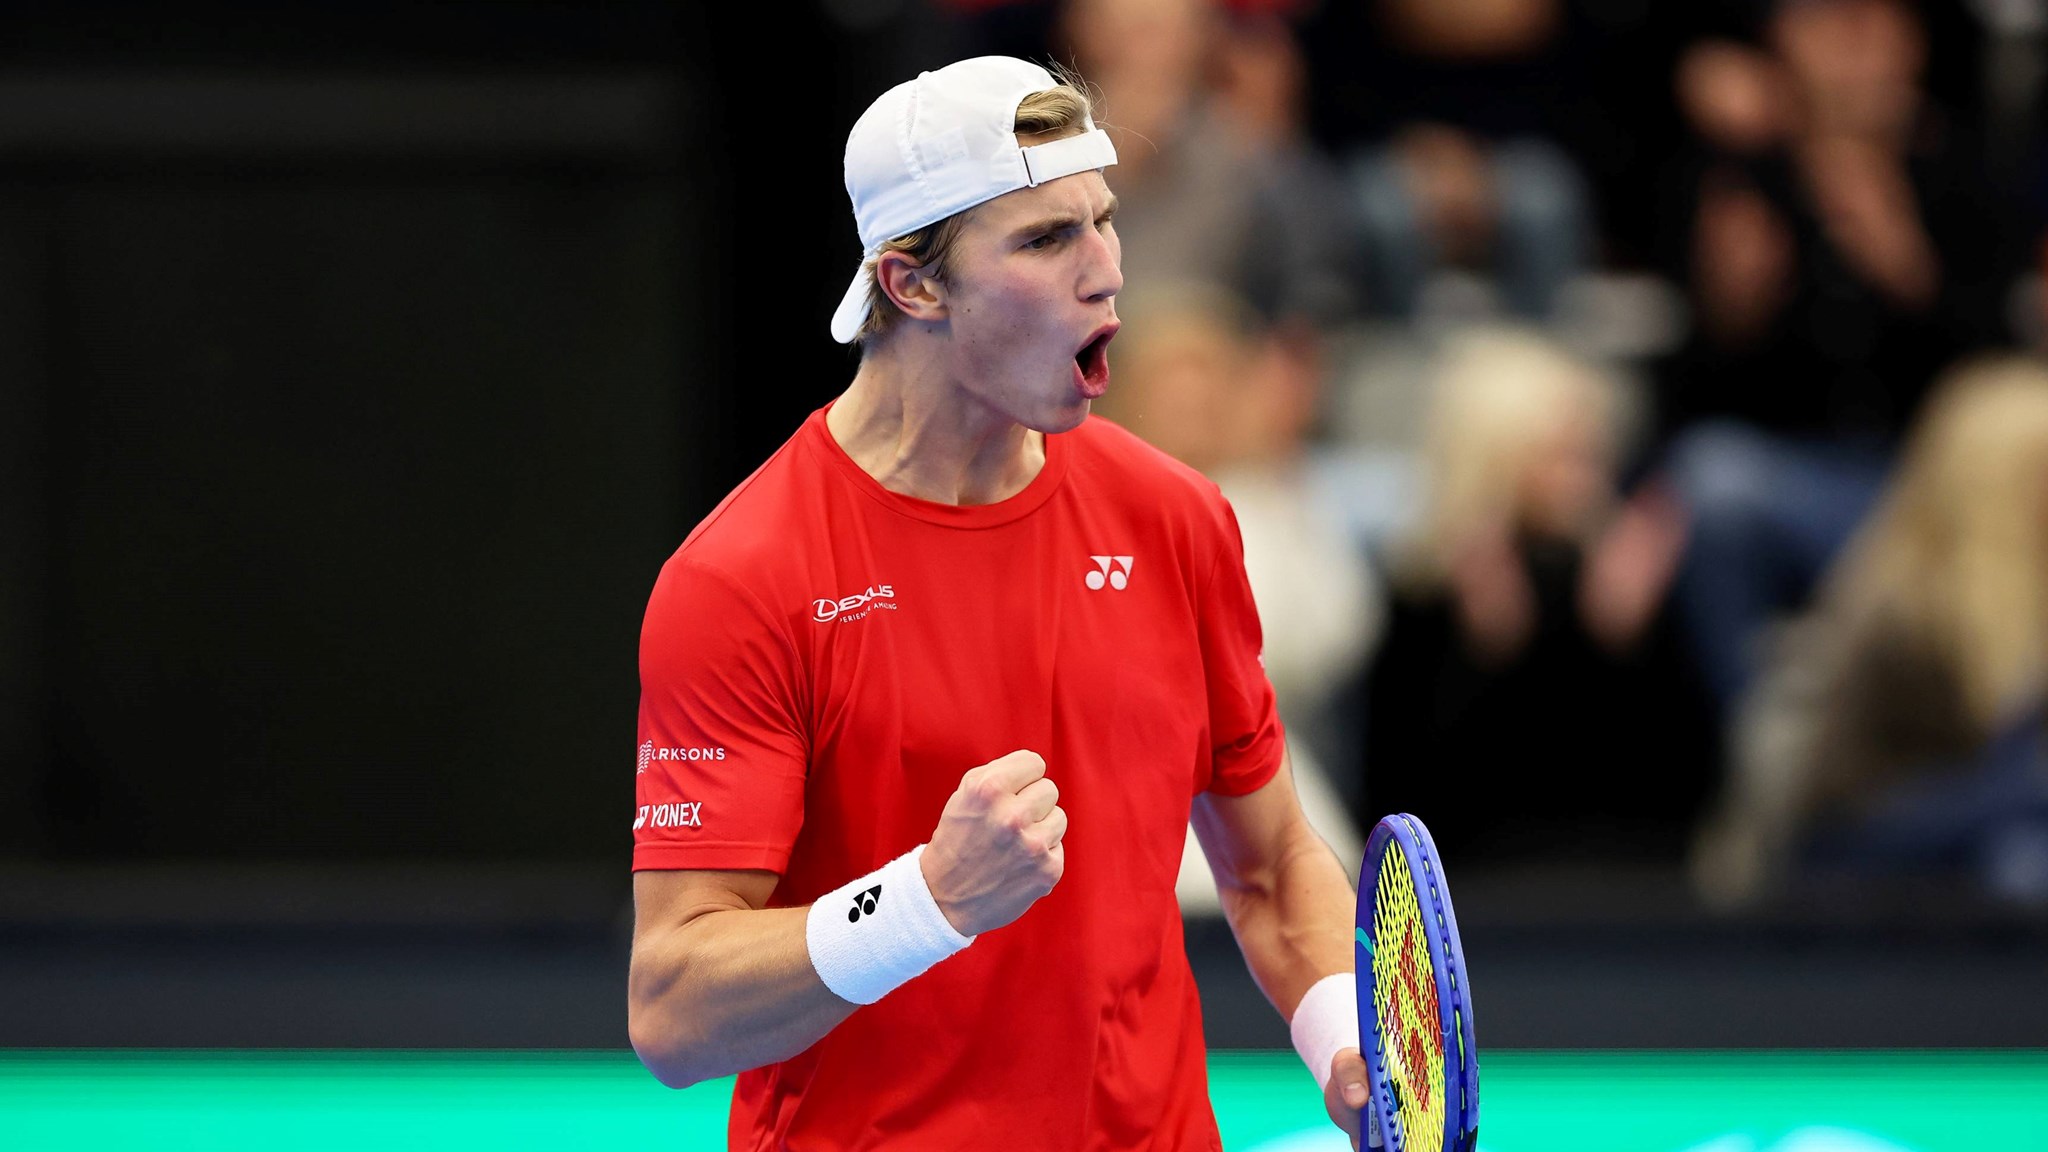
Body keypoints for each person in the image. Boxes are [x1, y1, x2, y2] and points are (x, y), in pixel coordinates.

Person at [626, 57, 1372, 1150]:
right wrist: (926, 901)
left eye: (1103, 221)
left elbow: (1266, 867)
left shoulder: (1174, 519)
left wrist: (1340, 1034)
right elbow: (673, 1009)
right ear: (910, 285)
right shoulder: (741, 577)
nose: (1107, 272)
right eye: (1042, 239)